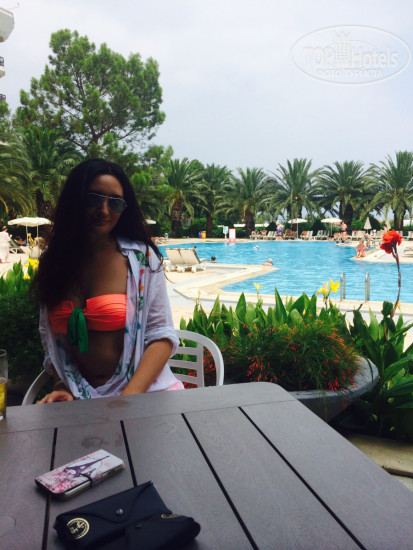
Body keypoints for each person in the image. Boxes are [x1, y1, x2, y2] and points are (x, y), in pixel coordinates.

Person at [34, 158, 184, 403]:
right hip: (81, 399)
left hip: (144, 396)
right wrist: (63, 386)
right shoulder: (54, 263)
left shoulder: (141, 259)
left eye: (115, 203)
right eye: (94, 198)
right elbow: (54, 342)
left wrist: (126, 400)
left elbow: (162, 336)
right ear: (76, 199)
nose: (104, 210)